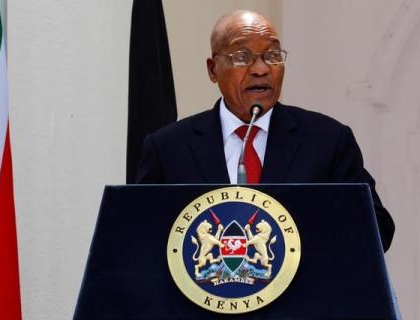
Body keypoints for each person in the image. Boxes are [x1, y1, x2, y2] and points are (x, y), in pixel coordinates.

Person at [135, 10, 394, 251]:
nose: (261, 69)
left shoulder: (328, 141)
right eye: (242, 57)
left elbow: (378, 232)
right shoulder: (168, 148)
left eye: (272, 55)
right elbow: (140, 237)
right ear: (213, 70)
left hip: (303, 297)